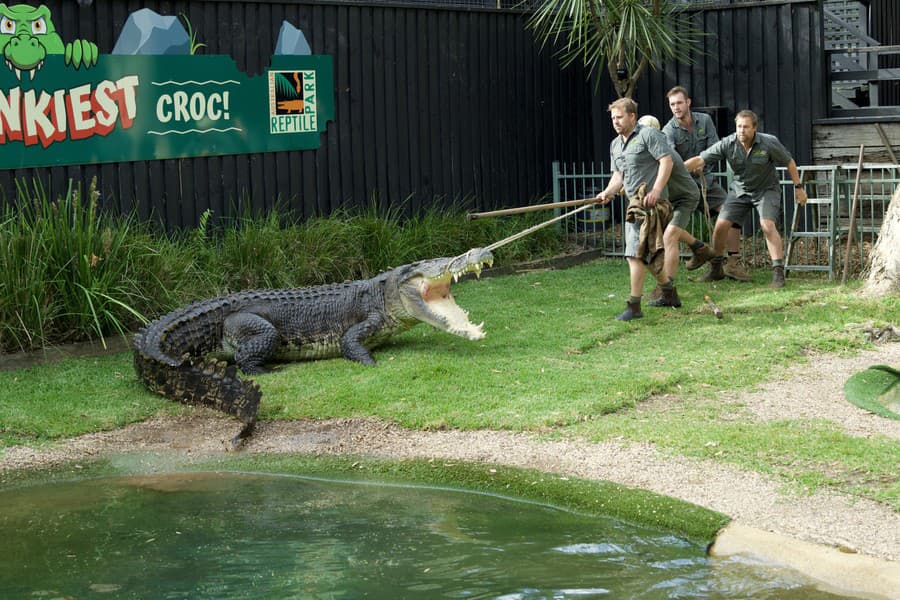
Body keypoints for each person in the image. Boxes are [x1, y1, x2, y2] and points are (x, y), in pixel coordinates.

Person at [594, 98, 699, 320]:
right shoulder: (615, 145)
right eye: (613, 118)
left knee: (634, 255)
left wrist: (657, 190)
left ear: (632, 116)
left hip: (651, 206)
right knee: (648, 257)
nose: (616, 122)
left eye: (620, 117)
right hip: (634, 206)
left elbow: (666, 161)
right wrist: (607, 192)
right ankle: (669, 293)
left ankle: (634, 306)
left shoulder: (648, 135)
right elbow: (619, 176)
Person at [684, 110, 807, 288]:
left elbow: (789, 161)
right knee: (720, 225)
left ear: (754, 128)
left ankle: (778, 273)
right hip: (740, 190)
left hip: (766, 190)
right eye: (739, 126)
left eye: (746, 127)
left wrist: (798, 188)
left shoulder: (768, 142)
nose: (741, 130)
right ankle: (716, 268)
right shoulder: (728, 143)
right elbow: (699, 160)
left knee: (767, 226)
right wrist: (674, 172)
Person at [663, 86, 750, 281]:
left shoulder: (705, 120)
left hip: (707, 182)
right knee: (669, 224)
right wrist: (690, 166)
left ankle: (730, 265)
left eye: (679, 103)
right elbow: (671, 159)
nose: (676, 107)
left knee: (731, 214)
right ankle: (698, 250)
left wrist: (704, 163)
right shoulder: (668, 130)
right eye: (672, 104)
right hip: (682, 186)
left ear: (688, 102)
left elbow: (715, 147)